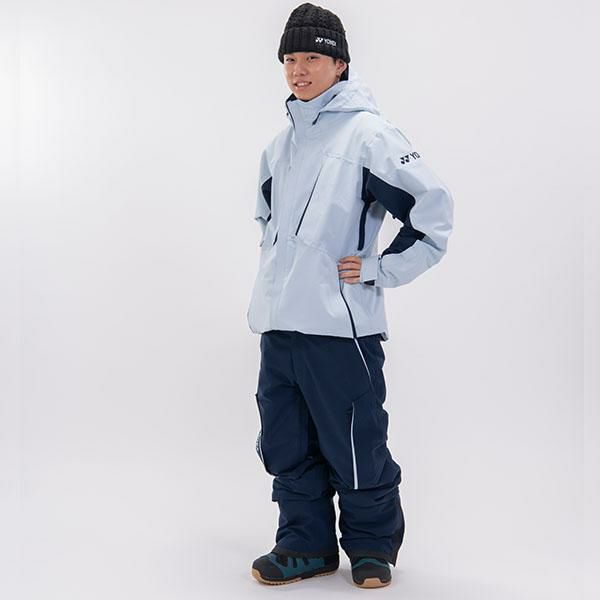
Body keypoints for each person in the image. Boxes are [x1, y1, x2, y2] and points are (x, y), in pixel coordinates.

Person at [247, 2, 454, 589]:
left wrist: (378, 269)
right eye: (290, 59)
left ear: (339, 64)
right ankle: (304, 544)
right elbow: (267, 226)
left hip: (341, 331)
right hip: (280, 327)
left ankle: (371, 547)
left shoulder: (370, 136)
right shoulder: (279, 148)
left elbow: (432, 215)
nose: (299, 70)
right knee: (285, 442)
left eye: (312, 58)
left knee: (356, 443)